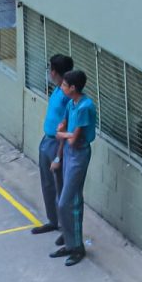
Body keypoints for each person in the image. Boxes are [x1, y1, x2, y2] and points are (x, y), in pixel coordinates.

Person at [49, 68, 96, 266]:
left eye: (65, 85)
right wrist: (59, 156)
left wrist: (61, 134)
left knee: (68, 202)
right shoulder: (71, 103)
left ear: (74, 88)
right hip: (69, 155)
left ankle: (77, 247)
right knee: (65, 200)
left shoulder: (85, 106)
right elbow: (64, 125)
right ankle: (70, 243)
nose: (62, 87)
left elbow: (73, 139)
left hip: (79, 155)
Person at [30, 53, 73, 241]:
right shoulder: (57, 89)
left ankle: (66, 227)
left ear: (55, 72)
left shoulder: (67, 95)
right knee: (48, 183)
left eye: (50, 69)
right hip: (47, 140)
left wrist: (59, 154)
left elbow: (68, 125)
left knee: (60, 185)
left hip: (57, 144)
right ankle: (53, 220)